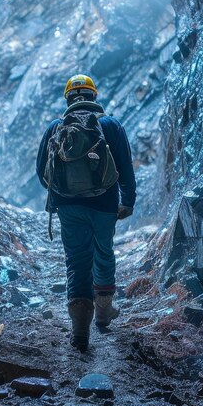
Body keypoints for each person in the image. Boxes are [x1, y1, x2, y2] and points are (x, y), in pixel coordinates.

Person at [36, 74, 136, 351]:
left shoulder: (57, 127)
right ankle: (104, 314)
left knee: (77, 260)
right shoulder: (110, 125)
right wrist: (127, 201)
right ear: (94, 96)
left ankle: (80, 330)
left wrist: (61, 194)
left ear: (68, 98)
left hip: (67, 206)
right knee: (103, 252)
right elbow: (126, 168)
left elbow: (41, 170)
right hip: (105, 204)